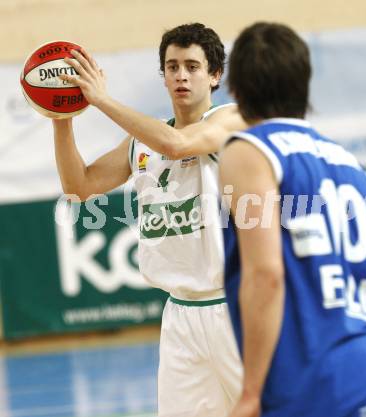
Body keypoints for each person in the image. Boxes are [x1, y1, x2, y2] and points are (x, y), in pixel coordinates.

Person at [54, 23, 244, 417]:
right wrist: (62, 117)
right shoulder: (143, 141)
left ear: (214, 75)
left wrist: (102, 100)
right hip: (179, 316)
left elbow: (176, 145)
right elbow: (79, 186)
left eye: (192, 66)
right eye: (172, 66)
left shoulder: (231, 119)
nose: (181, 75)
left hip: (235, 308)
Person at [220, 22, 366, 417]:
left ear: (235, 91)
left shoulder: (249, 151)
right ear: (304, 86)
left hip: (313, 381)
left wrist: (251, 391)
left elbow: (266, 274)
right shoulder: (356, 168)